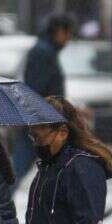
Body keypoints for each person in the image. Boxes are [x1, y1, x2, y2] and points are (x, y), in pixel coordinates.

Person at [14, 13, 77, 182]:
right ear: (58, 31)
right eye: (67, 34)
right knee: (19, 166)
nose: (68, 39)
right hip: (41, 121)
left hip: (44, 119)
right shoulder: (42, 52)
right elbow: (37, 88)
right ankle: (0, 202)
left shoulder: (46, 51)